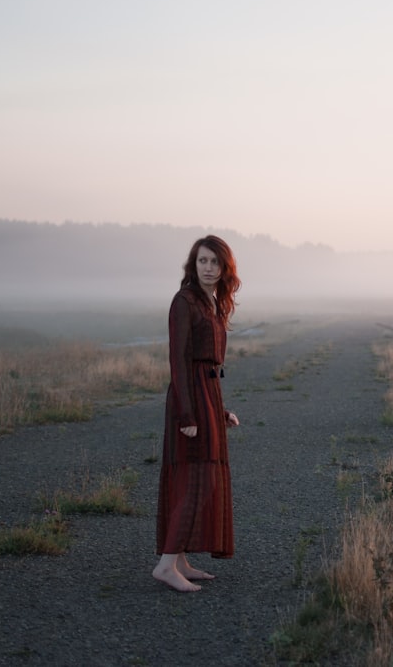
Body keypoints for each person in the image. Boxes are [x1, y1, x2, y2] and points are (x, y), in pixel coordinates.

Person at [153, 235, 241, 592]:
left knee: (204, 481)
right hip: (188, 399)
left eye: (215, 263)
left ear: (224, 269)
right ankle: (164, 565)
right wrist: (186, 416)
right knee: (193, 482)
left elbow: (209, 366)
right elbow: (179, 361)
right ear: (194, 264)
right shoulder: (184, 301)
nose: (208, 268)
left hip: (207, 395)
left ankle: (181, 561)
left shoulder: (214, 303)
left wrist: (219, 411)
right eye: (203, 261)